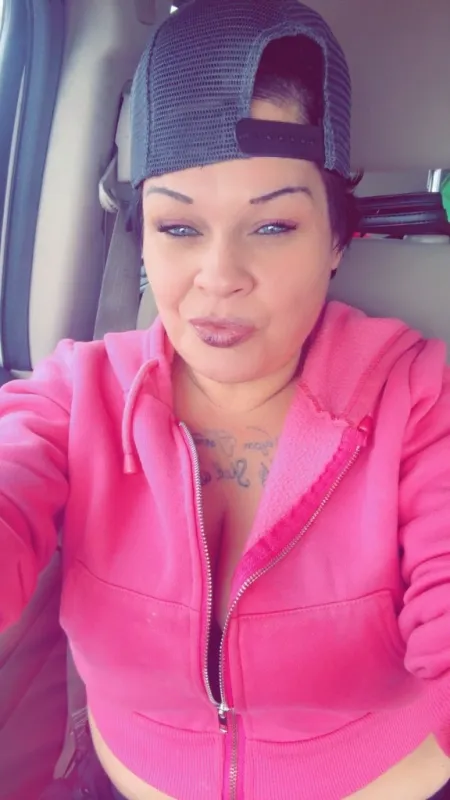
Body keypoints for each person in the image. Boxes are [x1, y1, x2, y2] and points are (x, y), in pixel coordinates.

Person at [1, 0, 450, 798]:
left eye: (272, 227)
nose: (219, 277)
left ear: (337, 238)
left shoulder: (420, 402)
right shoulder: (76, 397)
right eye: (178, 228)